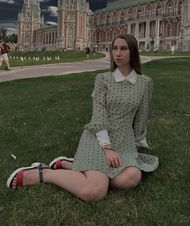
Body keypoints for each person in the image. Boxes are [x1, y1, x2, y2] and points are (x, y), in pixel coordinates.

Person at [7, 34, 159, 201]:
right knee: (94, 191)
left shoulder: (145, 83)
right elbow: (98, 115)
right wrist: (107, 148)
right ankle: (45, 173)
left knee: (130, 178)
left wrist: (138, 142)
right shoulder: (103, 79)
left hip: (124, 142)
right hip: (98, 137)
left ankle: (72, 165)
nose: (117, 53)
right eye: (114, 48)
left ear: (133, 52)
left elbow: (141, 118)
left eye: (123, 48)